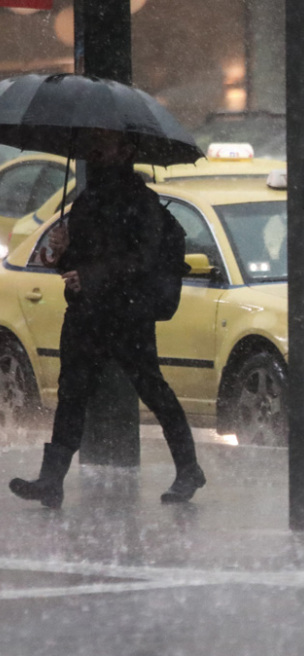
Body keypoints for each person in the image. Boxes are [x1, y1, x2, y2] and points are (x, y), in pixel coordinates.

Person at [9, 129, 206, 508]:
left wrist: (92, 275)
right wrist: (62, 254)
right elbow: (79, 264)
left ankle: (188, 468)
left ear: (126, 150)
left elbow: (142, 261)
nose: (95, 150)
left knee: (153, 390)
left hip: (127, 315)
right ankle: (51, 480)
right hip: (86, 316)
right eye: (93, 143)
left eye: (105, 143)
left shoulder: (142, 203)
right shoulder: (87, 200)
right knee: (72, 395)